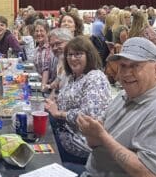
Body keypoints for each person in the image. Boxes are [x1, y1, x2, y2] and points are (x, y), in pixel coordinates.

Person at [67, 37, 156, 177]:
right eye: (123, 66)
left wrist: (103, 136)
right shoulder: (124, 96)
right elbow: (95, 145)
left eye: (135, 66)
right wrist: (91, 133)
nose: (125, 74)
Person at [45, 36, 111, 164]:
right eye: (70, 55)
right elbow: (66, 101)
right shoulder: (73, 77)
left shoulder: (95, 77)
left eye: (78, 54)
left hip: (79, 144)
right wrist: (53, 104)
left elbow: (89, 117)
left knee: (39, 157)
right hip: (64, 134)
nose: (72, 58)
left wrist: (59, 114)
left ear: (89, 55)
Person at [33, 19, 55, 89]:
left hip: (50, 88)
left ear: (47, 32)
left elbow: (46, 69)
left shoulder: (51, 48)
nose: (39, 33)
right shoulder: (36, 50)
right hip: (40, 85)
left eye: (41, 31)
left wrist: (43, 88)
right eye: (36, 31)